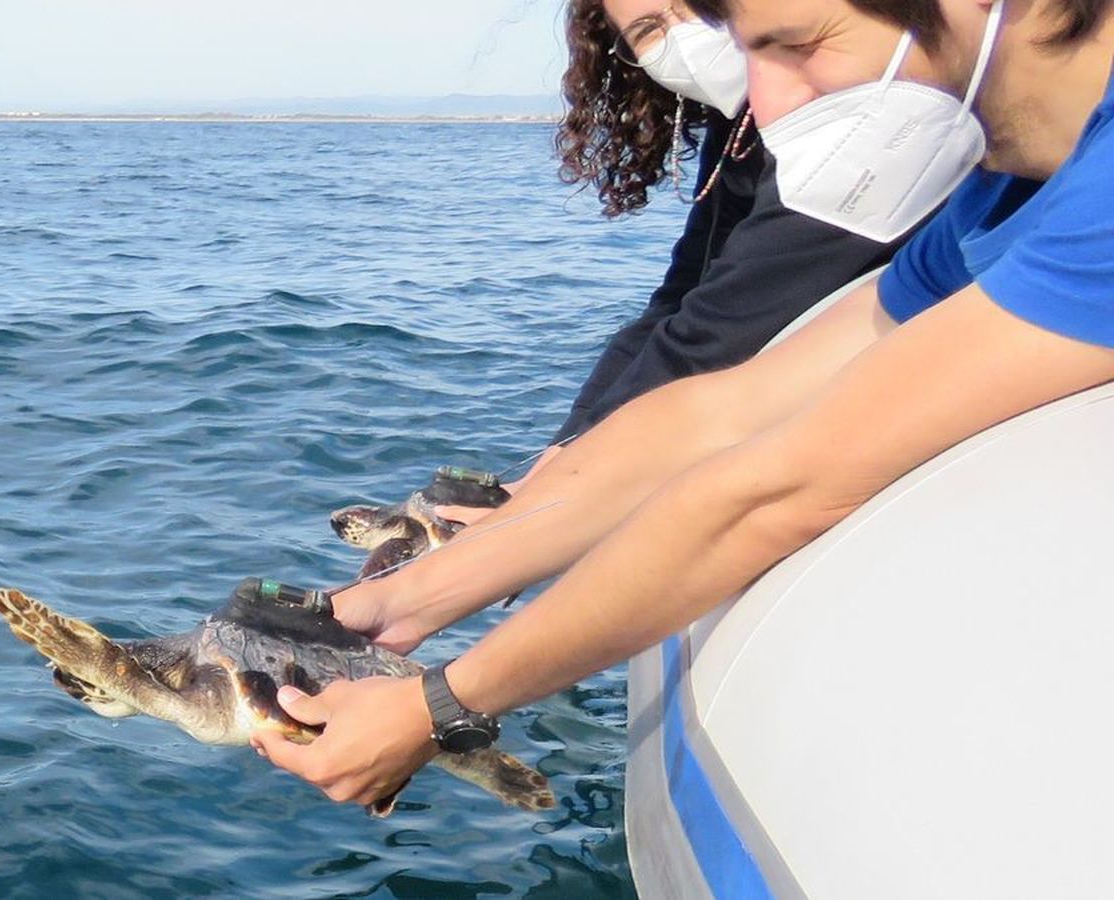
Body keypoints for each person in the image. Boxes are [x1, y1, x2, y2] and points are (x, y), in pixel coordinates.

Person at [256, 0, 1114, 809]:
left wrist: (439, 705)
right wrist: (390, 605)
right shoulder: (997, 202)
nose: (768, 107)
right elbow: (721, 412)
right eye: (751, 51)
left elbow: (779, 491)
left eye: (801, 43)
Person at [436, 0, 904, 523]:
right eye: (649, 29)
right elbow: (679, 295)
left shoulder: (862, 124)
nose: (684, 37)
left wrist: (569, 479)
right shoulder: (738, 129)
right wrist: (564, 448)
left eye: (689, 7)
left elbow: (723, 323)